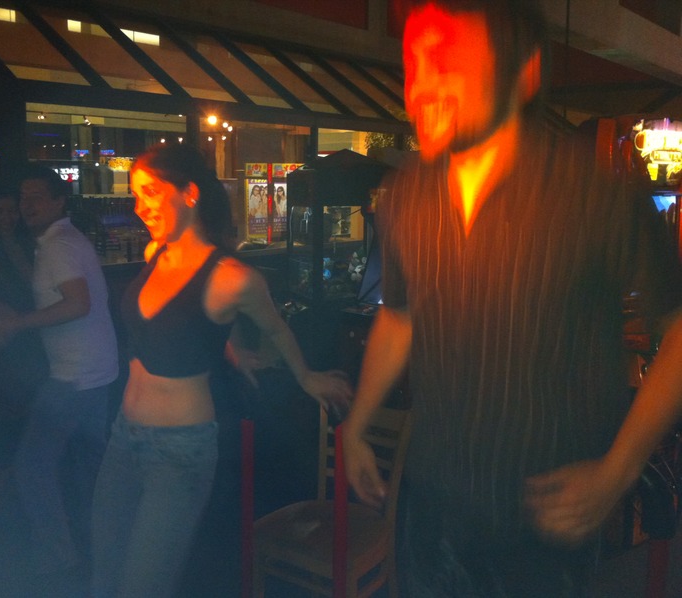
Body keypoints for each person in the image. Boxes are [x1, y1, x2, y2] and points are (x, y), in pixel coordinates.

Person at [342, 1, 682, 596]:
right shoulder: (406, 195)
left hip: (540, 528)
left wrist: (617, 471)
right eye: (414, 62)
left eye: (447, 60)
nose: (422, 86)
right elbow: (399, 319)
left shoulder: (592, 194)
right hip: (431, 509)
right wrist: (356, 425)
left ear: (521, 73)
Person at [90, 143, 352, 598]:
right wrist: (230, 349)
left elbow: (277, 328)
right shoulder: (155, 252)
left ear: (189, 193)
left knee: (142, 587)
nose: (139, 207)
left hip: (179, 453)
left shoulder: (234, 277)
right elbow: (186, 323)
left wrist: (307, 376)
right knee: (104, 573)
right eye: (135, 195)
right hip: (122, 438)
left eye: (150, 192)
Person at [0, 164, 119, 576]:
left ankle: (59, 554)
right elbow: (52, 287)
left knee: (32, 467)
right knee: (89, 467)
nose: (27, 204)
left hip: (74, 375)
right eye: (23, 197)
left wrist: (17, 322)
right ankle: (101, 547)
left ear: (59, 201)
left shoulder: (58, 245)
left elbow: (78, 303)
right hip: (96, 370)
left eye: (36, 197)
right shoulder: (62, 240)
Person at [0, 178, 48, 517]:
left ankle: (23, 496)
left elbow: (41, 291)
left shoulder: (30, 247)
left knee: (34, 425)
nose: (7, 217)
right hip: (11, 353)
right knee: (6, 429)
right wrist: (13, 322)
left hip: (37, 346)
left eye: (12, 210)